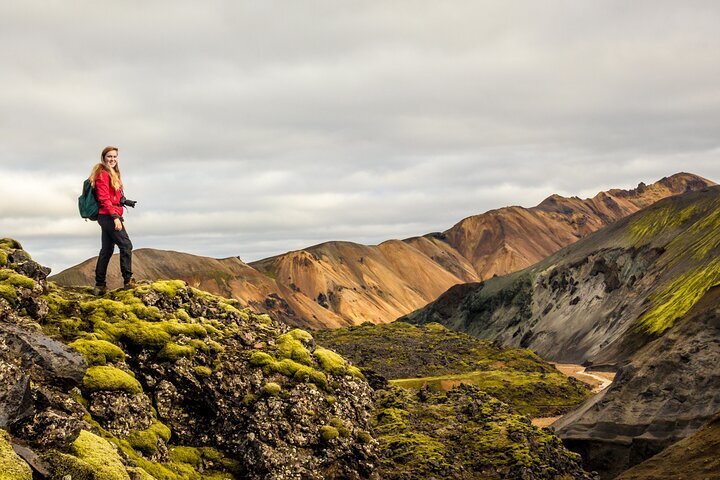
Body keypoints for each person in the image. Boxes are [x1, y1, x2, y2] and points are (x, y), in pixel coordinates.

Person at [89, 146, 137, 294]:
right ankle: (128, 281)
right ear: (104, 158)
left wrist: (125, 201)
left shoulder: (113, 174)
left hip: (108, 215)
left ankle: (99, 285)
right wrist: (115, 218)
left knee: (107, 250)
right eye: (110, 157)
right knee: (126, 245)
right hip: (109, 215)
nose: (112, 159)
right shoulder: (102, 174)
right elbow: (104, 199)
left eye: (115, 157)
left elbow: (112, 196)